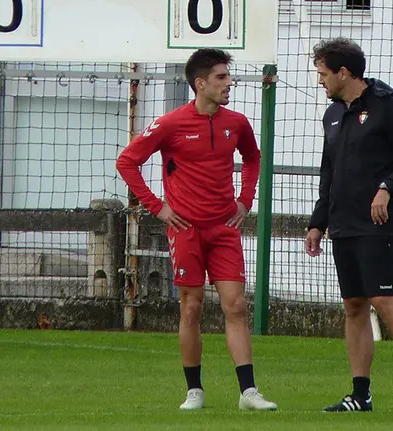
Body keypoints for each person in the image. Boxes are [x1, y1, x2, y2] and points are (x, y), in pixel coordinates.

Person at [116, 48, 277, 412]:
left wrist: (245, 200)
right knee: (191, 308)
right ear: (200, 83)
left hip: (224, 229)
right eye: (221, 77)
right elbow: (127, 162)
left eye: (228, 76)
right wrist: (157, 207)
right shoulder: (170, 124)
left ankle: (249, 392)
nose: (229, 83)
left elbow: (253, 157)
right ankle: (194, 391)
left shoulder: (237, 123)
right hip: (185, 230)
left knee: (236, 305)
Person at [305, 37, 393, 415]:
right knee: (353, 305)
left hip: (379, 224)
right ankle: (360, 395)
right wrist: (318, 222)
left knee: (383, 300)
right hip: (343, 223)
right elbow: (329, 172)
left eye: (323, 74)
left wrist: (387, 188)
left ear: (343, 72)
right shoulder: (333, 114)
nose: (320, 81)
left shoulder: (387, 107)